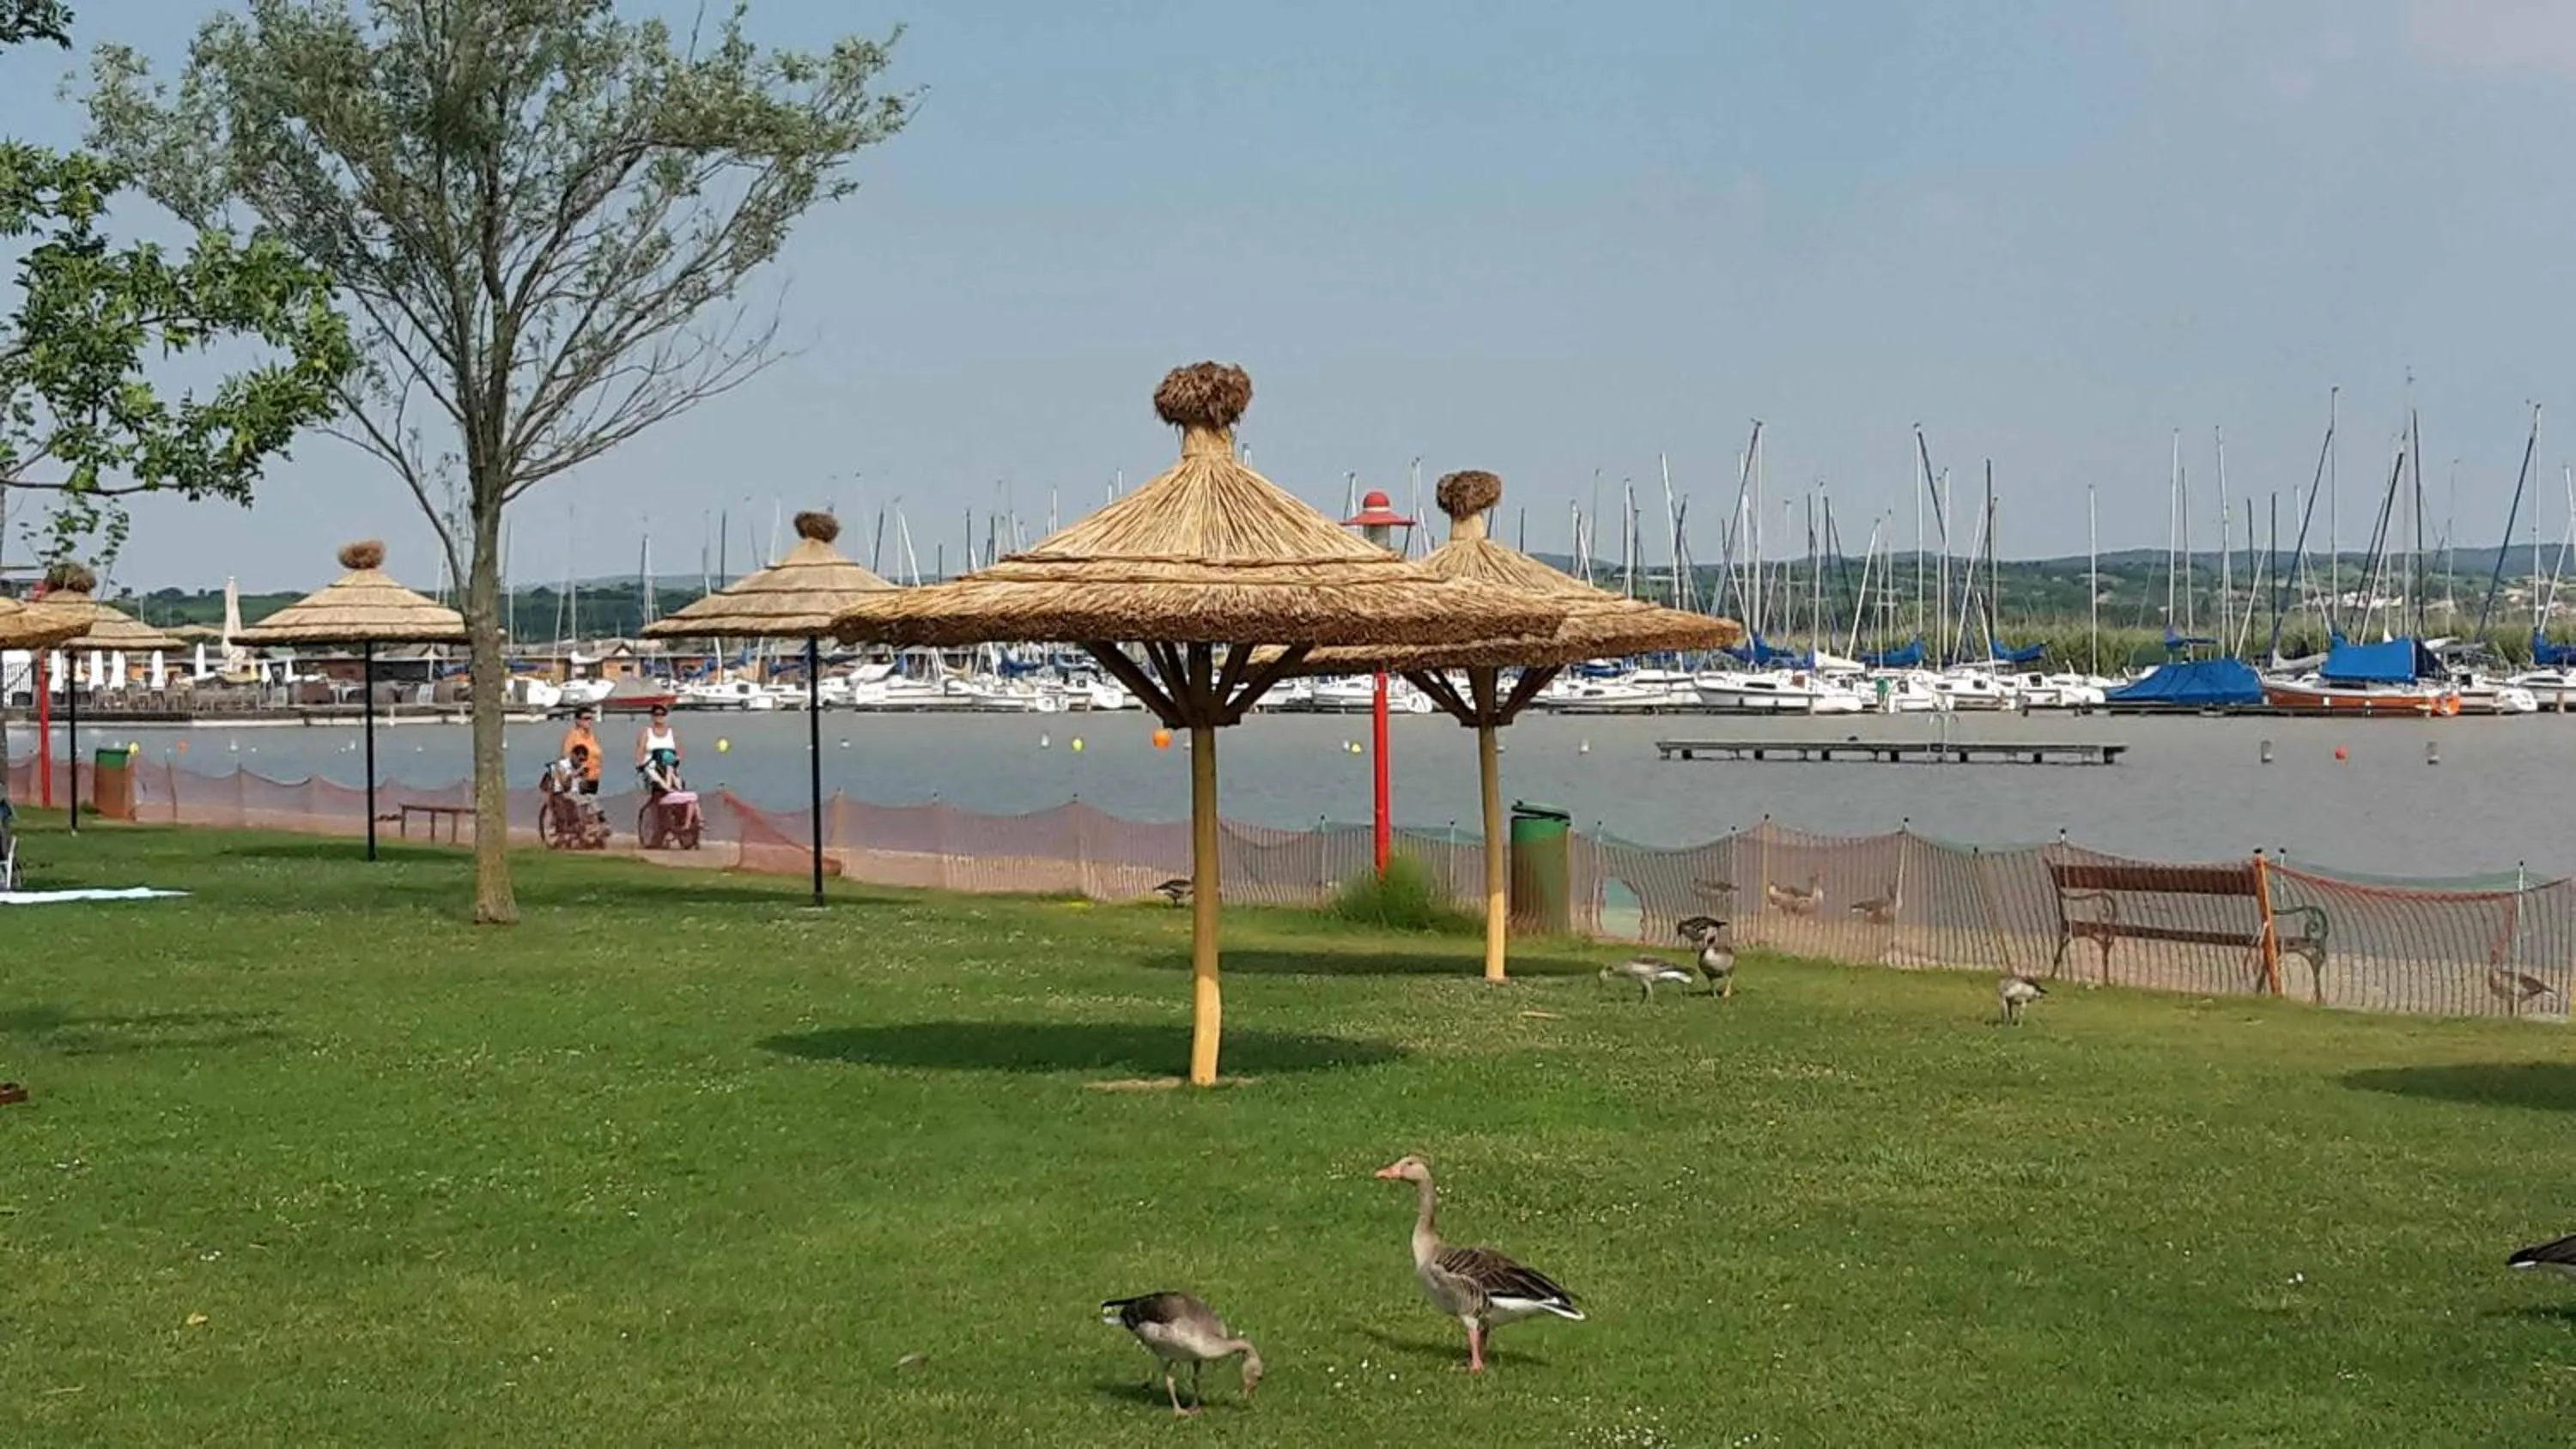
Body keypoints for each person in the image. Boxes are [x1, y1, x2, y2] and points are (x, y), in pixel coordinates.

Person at [636, 704, 684, 795]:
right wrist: (639, 764)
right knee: (652, 771)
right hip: (652, 764)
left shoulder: (672, 732)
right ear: (652, 716)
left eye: (662, 714)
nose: (659, 717)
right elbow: (640, 751)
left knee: (671, 769)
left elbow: (679, 751)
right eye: (656, 714)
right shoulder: (646, 732)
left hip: (669, 763)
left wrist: (677, 759)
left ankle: (675, 788)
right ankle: (664, 787)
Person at [560, 708, 603, 798]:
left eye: (591, 718)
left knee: (591, 807)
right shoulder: (572, 736)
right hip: (580, 779)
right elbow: (565, 758)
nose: (589, 721)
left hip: (593, 779)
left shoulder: (591, 736)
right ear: (578, 721)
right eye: (586, 718)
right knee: (581, 807)